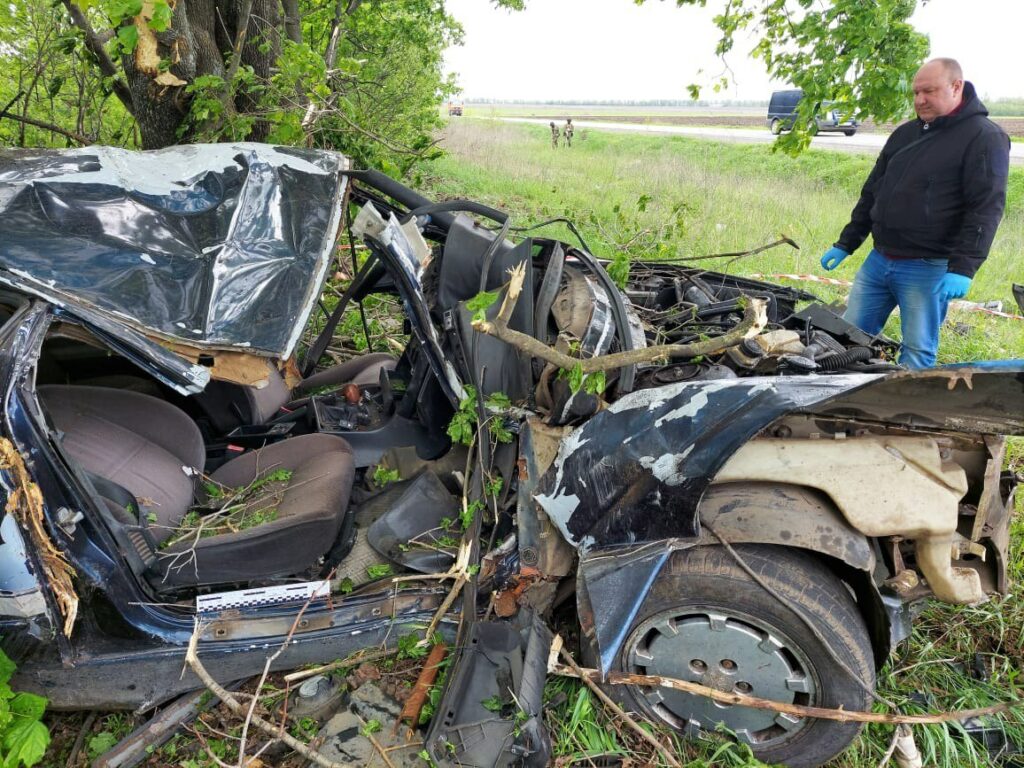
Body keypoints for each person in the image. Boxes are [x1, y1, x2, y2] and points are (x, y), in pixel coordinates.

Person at [820, 58, 1010, 369]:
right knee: (846, 338)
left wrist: (964, 267)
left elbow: (986, 207)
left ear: (956, 86)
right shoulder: (906, 134)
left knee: (918, 351)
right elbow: (873, 191)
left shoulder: (984, 137)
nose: (920, 100)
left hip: (927, 268)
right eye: (916, 92)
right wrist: (846, 242)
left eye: (930, 91)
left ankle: (903, 414)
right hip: (879, 261)